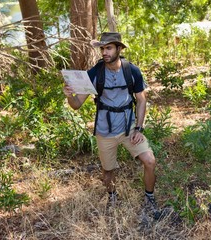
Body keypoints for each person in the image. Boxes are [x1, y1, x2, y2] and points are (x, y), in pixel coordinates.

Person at [63, 32, 160, 219]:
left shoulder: (132, 71)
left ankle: (149, 197)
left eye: (108, 48)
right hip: (104, 130)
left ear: (119, 49)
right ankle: (113, 196)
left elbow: (141, 100)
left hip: (128, 127)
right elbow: (76, 105)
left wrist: (139, 128)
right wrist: (69, 94)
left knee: (150, 161)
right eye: (102, 49)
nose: (104, 52)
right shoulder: (94, 73)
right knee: (108, 173)